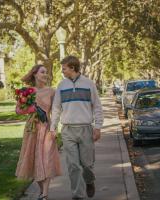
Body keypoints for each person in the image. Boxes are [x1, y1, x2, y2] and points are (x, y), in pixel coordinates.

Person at [50, 56, 104, 200]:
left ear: (72, 68)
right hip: (68, 130)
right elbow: (56, 108)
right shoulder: (61, 86)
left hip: (86, 129)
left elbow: (97, 106)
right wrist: (53, 127)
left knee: (87, 164)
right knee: (73, 165)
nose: (62, 71)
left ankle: (90, 181)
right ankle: (77, 195)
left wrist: (98, 127)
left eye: (64, 68)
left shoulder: (89, 84)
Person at [15, 64, 62, 200]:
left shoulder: (52, 92)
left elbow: (56, 112)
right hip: (32, 129)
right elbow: (18, 110)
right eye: (42, 72)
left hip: (46, 129)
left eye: (46, 72)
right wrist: (30, 109)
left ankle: (45, 194)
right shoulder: (27, 91)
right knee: (35, 160)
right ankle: (43, 193)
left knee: (46, 159)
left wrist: (54, 128)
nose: (45, 74)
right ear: (35, 74)